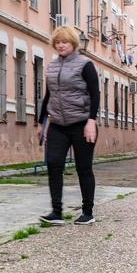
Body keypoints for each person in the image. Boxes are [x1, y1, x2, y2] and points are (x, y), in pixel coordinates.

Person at [38, 26, 100, 226]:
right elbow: (48, 95)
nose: (60, 45)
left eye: (64, 41)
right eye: (57, 42)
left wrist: (91, 121)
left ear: (73, 43)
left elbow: (95, 94)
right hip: (58, 123)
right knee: (54, 164)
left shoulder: (85, 64)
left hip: (81, 123)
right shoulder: (52, 65)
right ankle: (56, 212)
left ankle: (87, 212)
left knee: (83, 167)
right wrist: (42, 122)